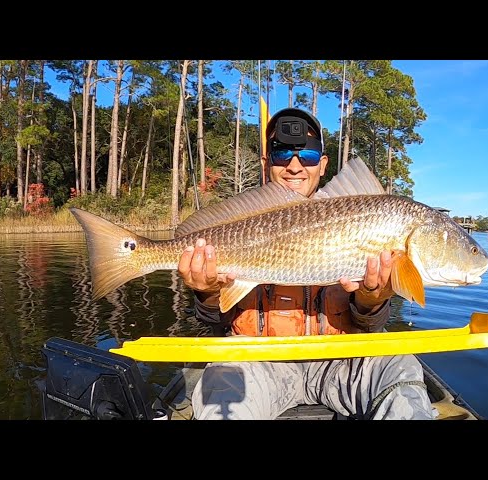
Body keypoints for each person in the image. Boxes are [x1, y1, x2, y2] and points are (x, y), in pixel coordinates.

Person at [178, 107, 434, 420]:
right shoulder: (239, 222)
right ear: (266, 163)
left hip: (339, 361)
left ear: (323, 164)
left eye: (308, 155)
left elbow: (370, 325)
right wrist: (207, 293)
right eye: (282, 153)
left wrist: (372, 299)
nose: (295, 166)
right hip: (256, 361)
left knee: (400, 366)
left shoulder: (372, 217)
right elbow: (215, 323)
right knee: (223, 386)